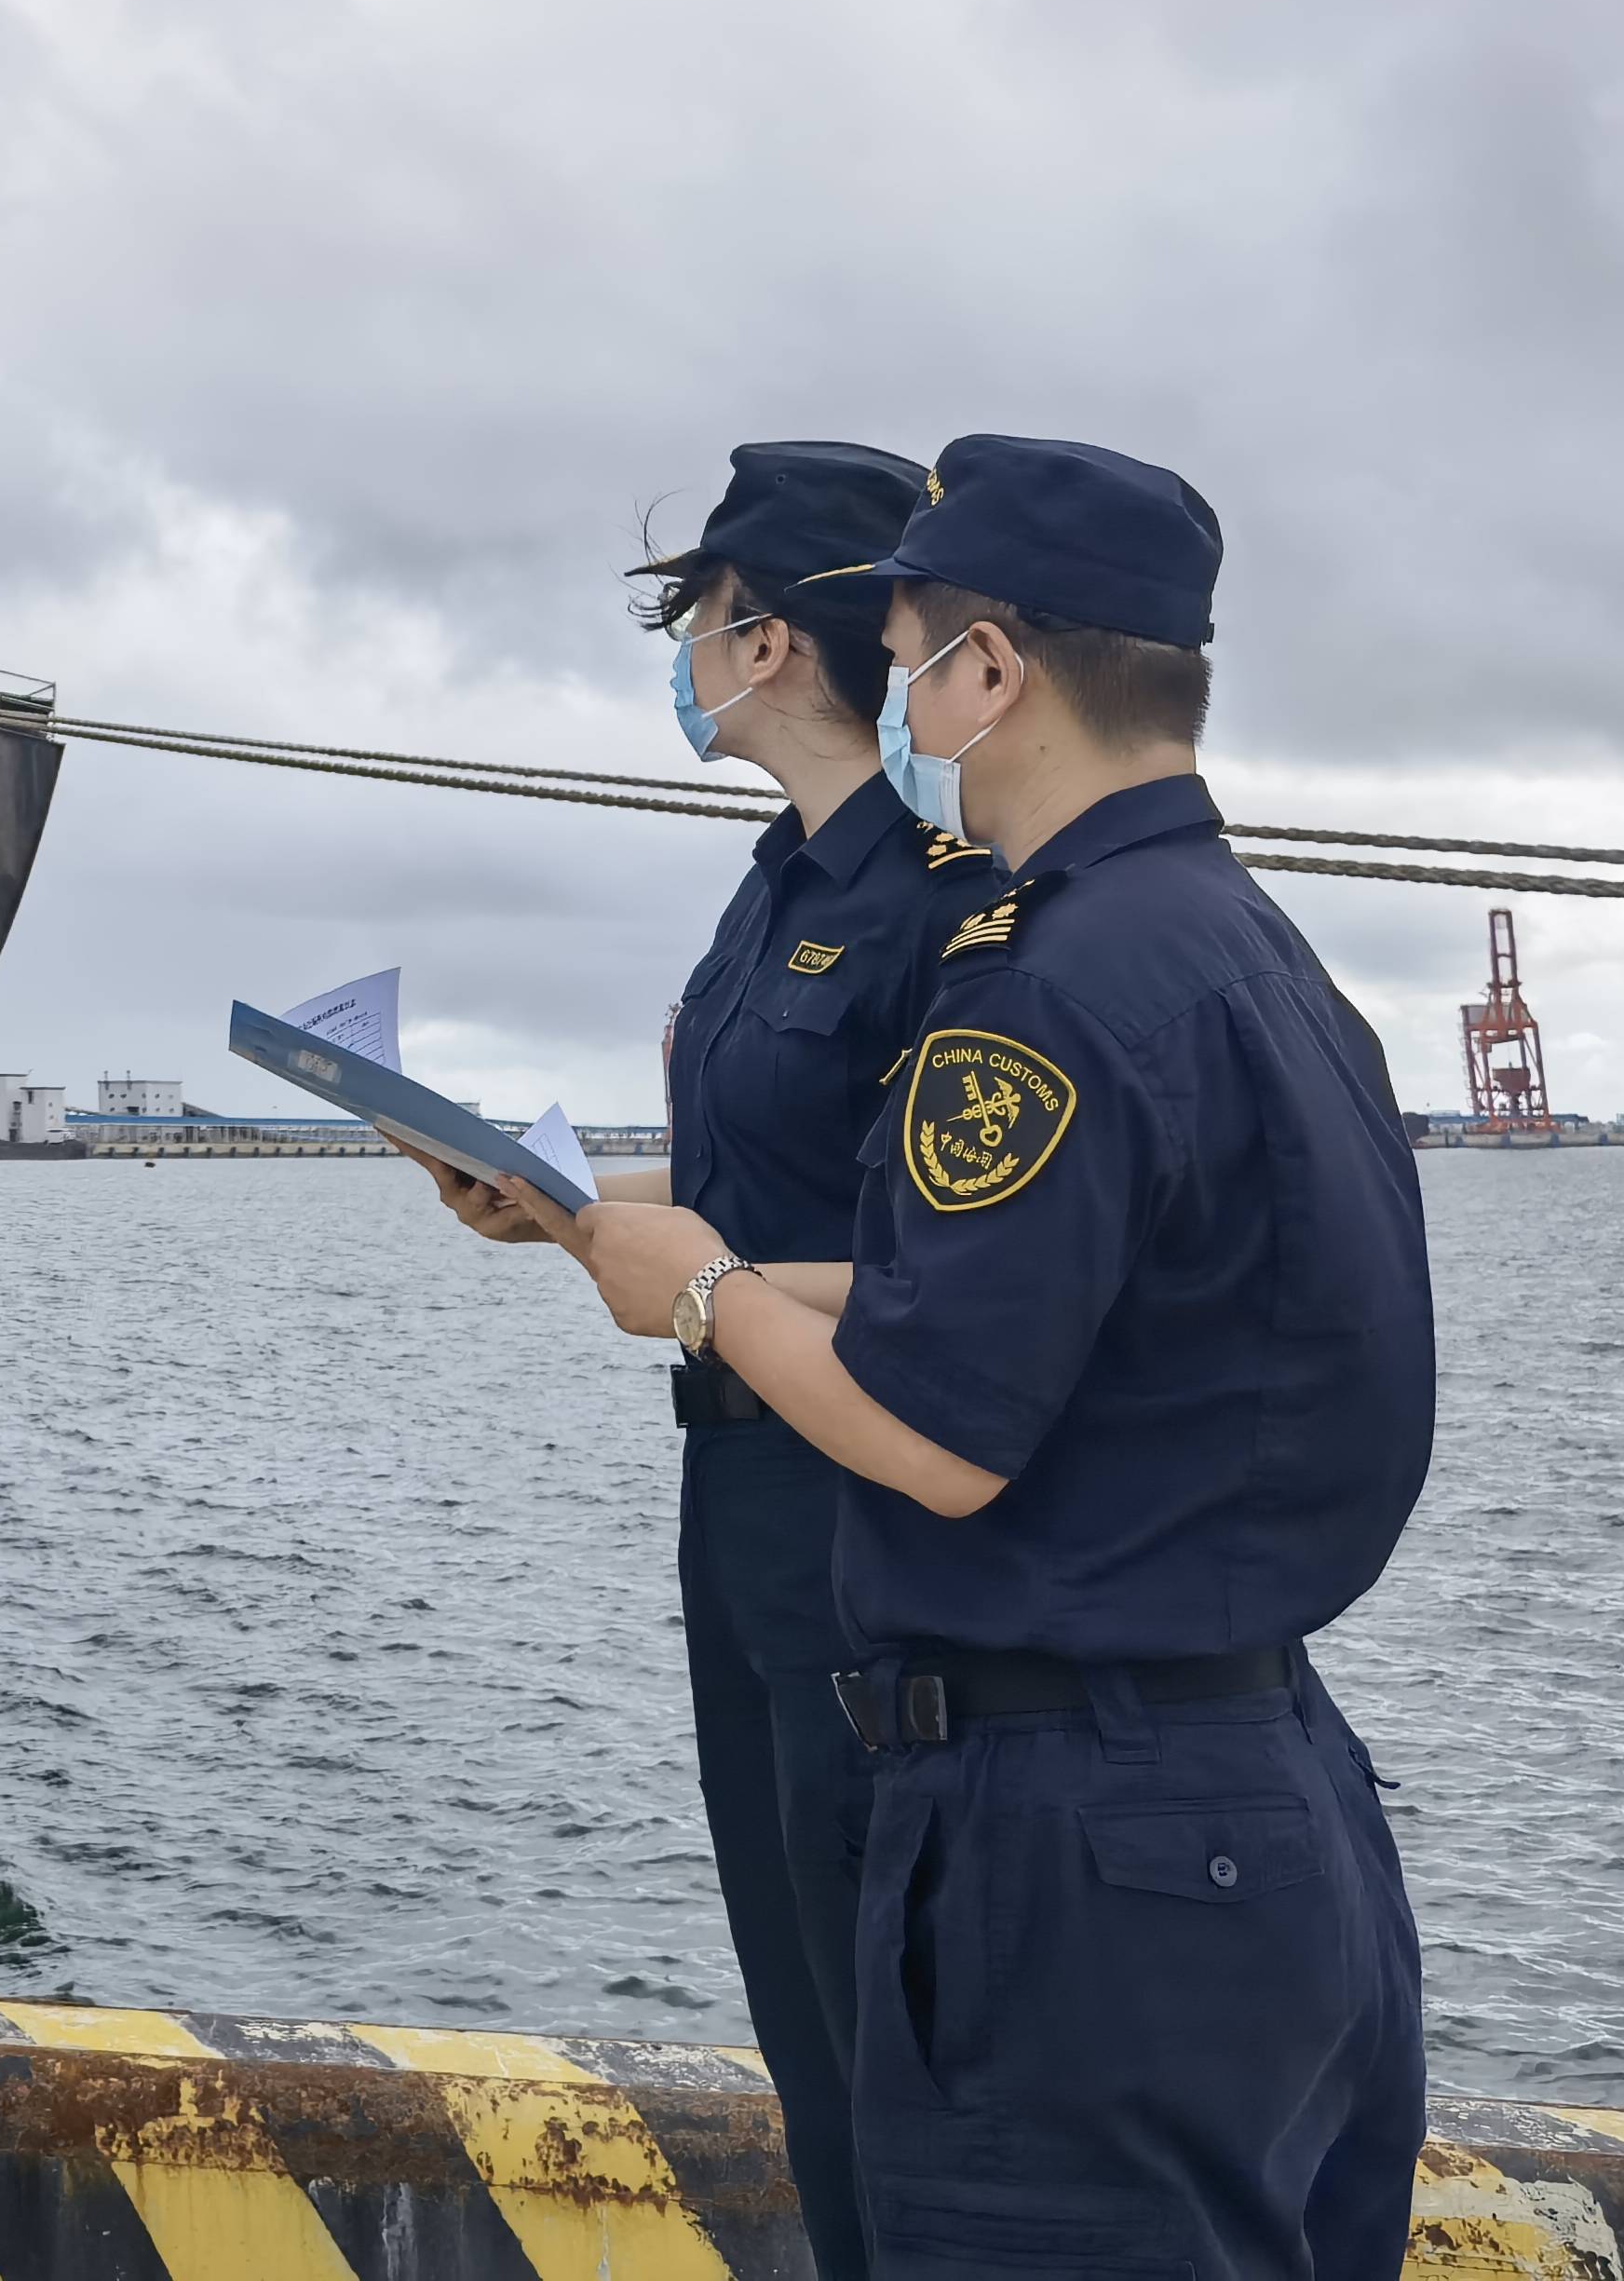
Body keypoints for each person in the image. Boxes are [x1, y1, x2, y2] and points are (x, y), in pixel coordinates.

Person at [528, 435, 1437, 2280]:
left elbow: (946, 1426)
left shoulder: (1049, 978)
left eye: (920, 640)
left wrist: (703, 1297)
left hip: (1085, 1848)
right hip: (1260, 1784)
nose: (907, 682)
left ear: (993, 671)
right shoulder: (1264, 964)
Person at [436, 441, 998, 2281]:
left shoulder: (938, 908)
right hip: (737, 1491)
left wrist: (704, 1280)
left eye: (694, 617)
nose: (678, 650)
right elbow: (773, 1175)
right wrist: (572, 1207)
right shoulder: (773, 888)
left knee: (887, 2002)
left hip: (854, 1498)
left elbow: (958, 1264)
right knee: (796, 1989)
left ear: (768, 644)